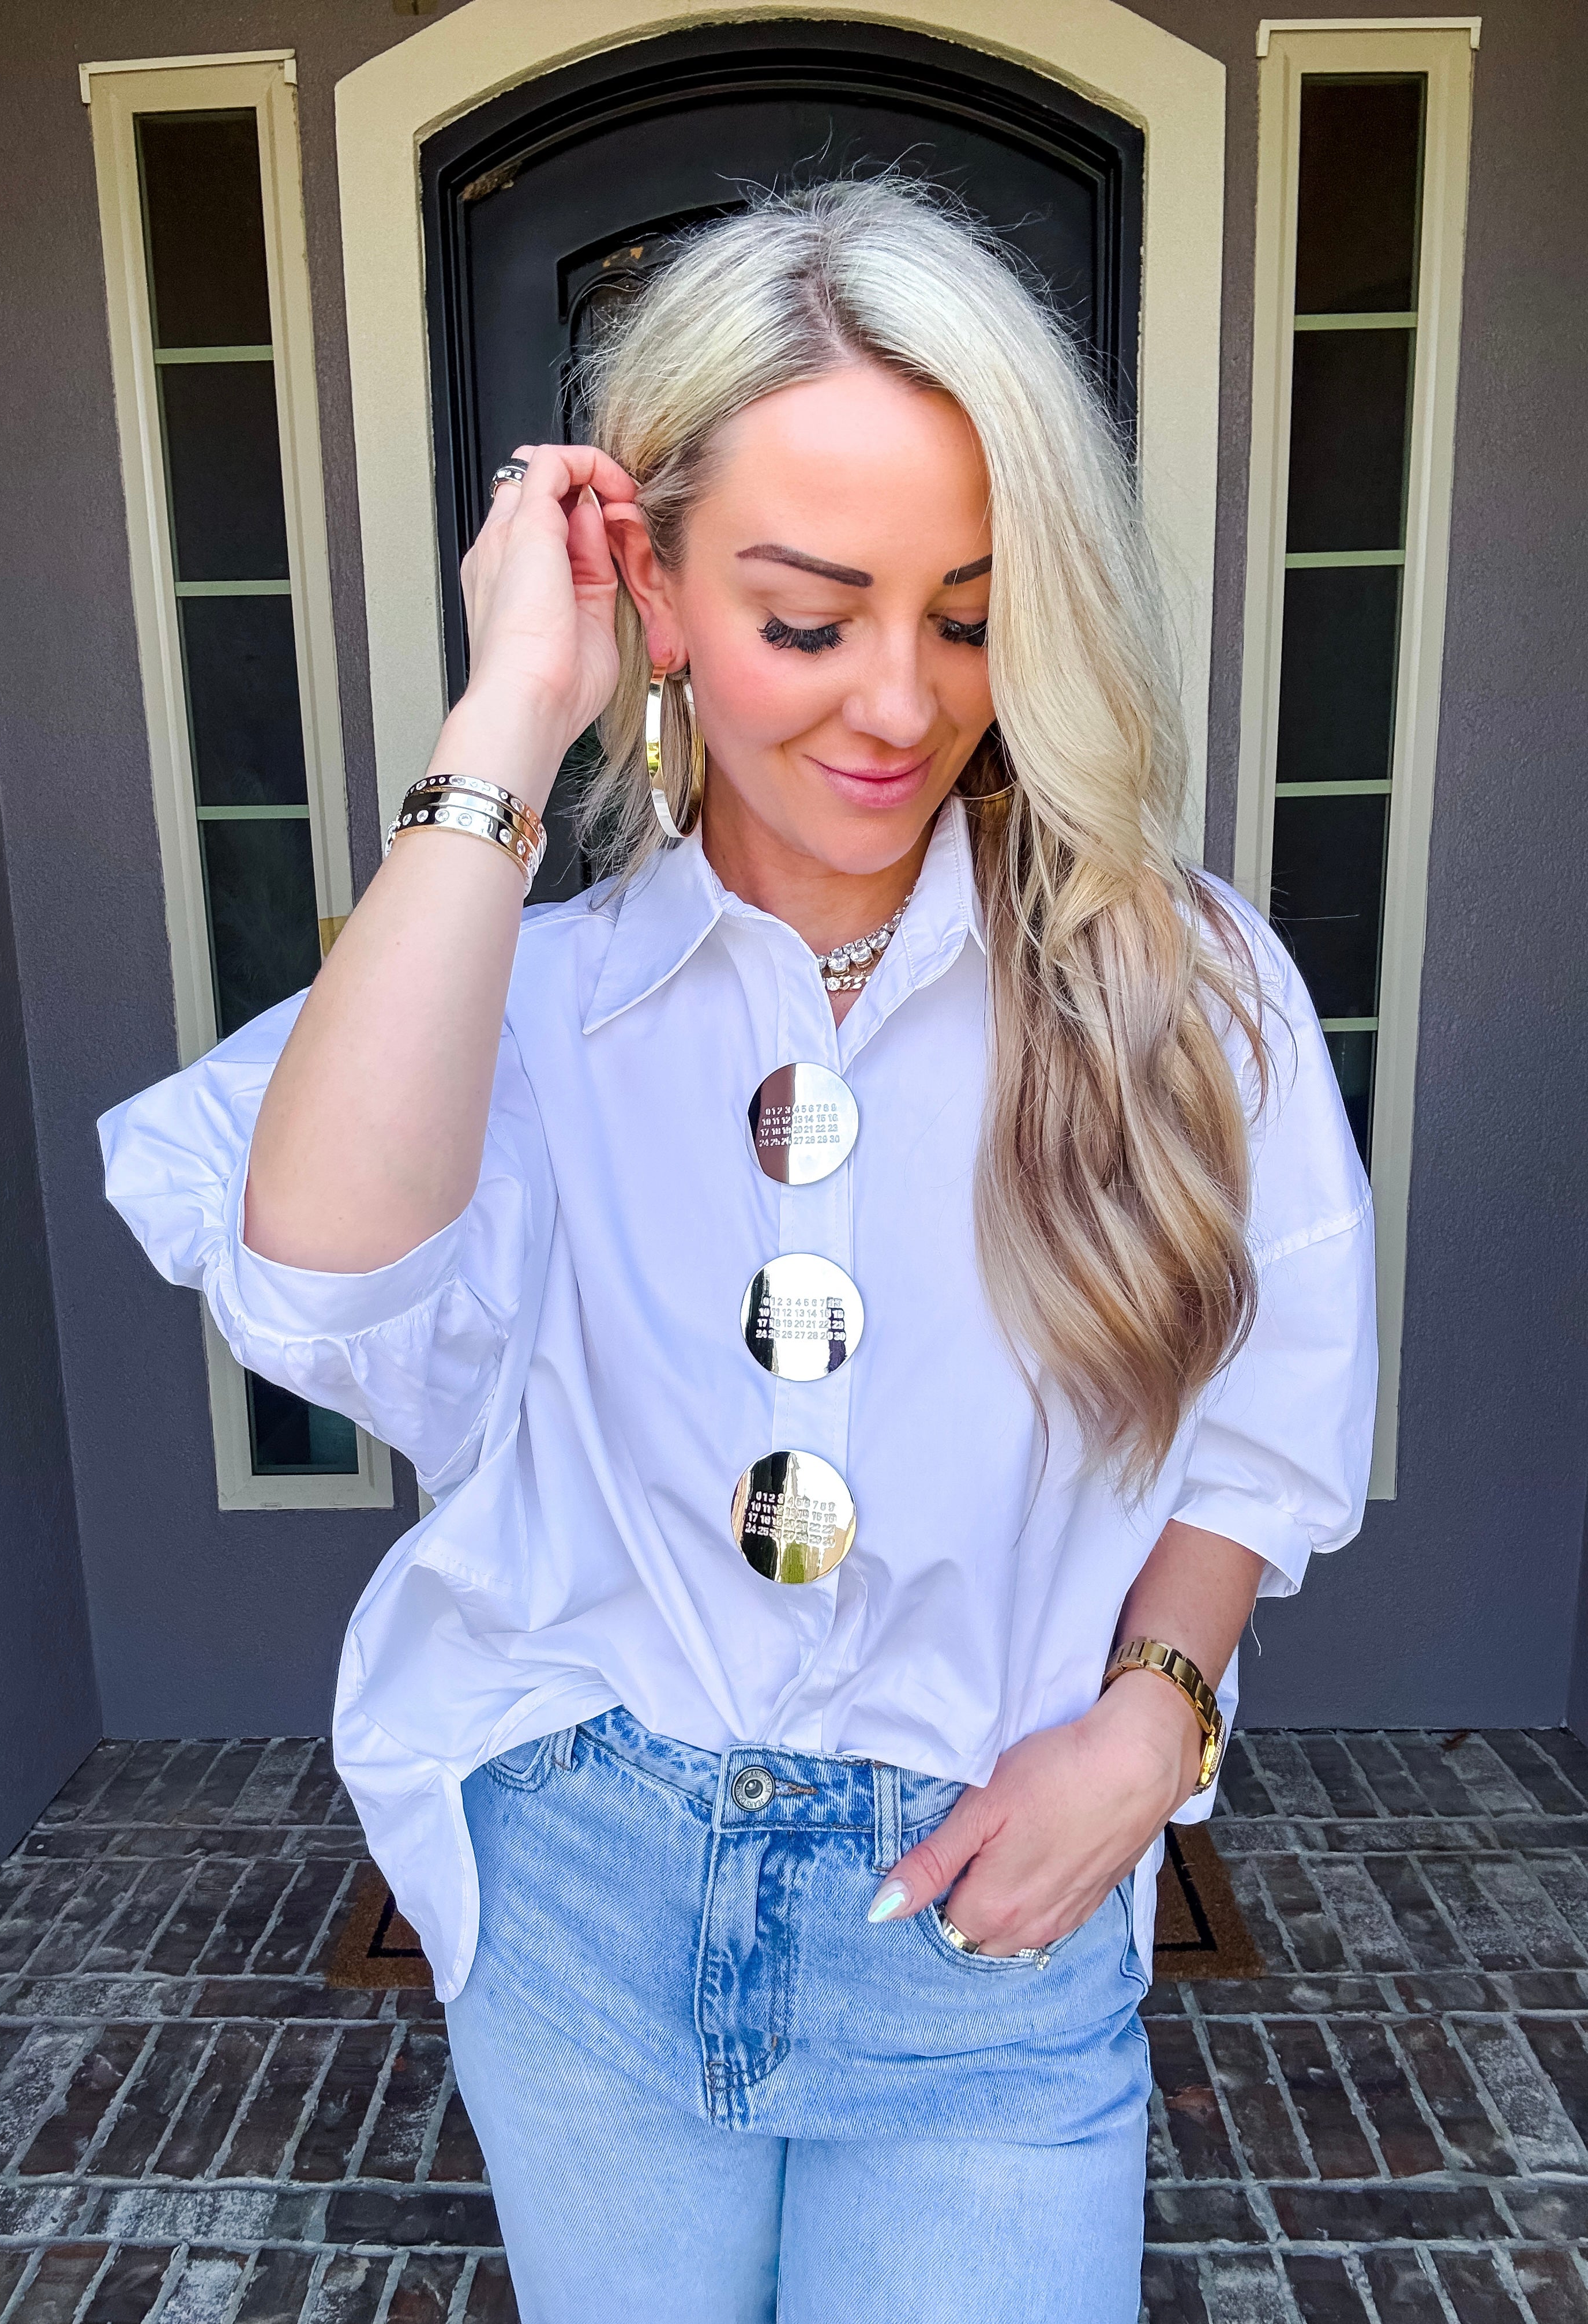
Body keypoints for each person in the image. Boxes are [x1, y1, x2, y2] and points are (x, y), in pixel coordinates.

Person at [98, 180, 1376, 2321]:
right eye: (808, 619)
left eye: (969, 616)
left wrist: (1153, 1722)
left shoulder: (1182, 989)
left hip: (987, 1912)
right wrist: (512, 711)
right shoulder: (529, 1001)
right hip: (587, 1902)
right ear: (664, 595)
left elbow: (1266, 1421)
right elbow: (318, 1271)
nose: (900, 702)